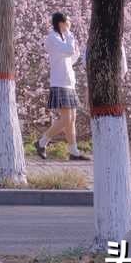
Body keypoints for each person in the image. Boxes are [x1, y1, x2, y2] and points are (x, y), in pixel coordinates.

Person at [36, 11, 89, 161]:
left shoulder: (63, 37)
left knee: (71, 118)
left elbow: (70, 58)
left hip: (68, 82)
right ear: (61, 23)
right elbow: (68, 50)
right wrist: (70, 36)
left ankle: (69, 150)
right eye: (67, 21)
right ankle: (46, 143)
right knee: (66, 119)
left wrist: (75, 49)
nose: (70, 24)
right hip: (59, 82)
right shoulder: (52, 38)